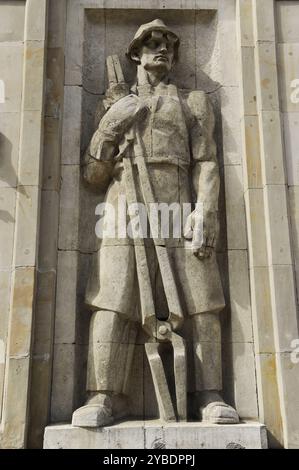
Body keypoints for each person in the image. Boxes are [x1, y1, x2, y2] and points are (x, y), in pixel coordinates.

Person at [72, 19, 239, 427]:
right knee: (113, 295)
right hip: (122, 206)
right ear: (136, 53)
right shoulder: (112, 104)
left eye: (166, 44)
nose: (160, 49)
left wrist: (205, 211)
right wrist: (111, 125)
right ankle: (103, 396)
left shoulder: (193, 101)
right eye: (150, 43)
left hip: (178, 200)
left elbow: (207, 162)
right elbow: (92, 176)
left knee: (202, 299)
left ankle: (210, 395)